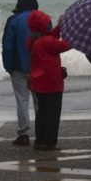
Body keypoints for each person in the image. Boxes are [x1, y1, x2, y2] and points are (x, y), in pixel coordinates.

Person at [26, 10, 70, 151]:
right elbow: (65, 45)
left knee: (42, 113)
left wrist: (59, 27)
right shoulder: (47, 42)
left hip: (39, 83)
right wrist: (70, 34)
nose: (50, 25)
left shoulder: (32, 40)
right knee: (53, 114)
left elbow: (50, 38)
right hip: (52, 83)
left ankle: (40, 140)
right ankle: (49, 142)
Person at [2, 0, 38, 146]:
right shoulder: (42, 18)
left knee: (22, 100)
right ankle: (42, 132)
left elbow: (8, 45)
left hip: (18, 66)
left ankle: (23, 133)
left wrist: (7, 65)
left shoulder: (13, 20)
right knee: (39, 100)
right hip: (38, 65)